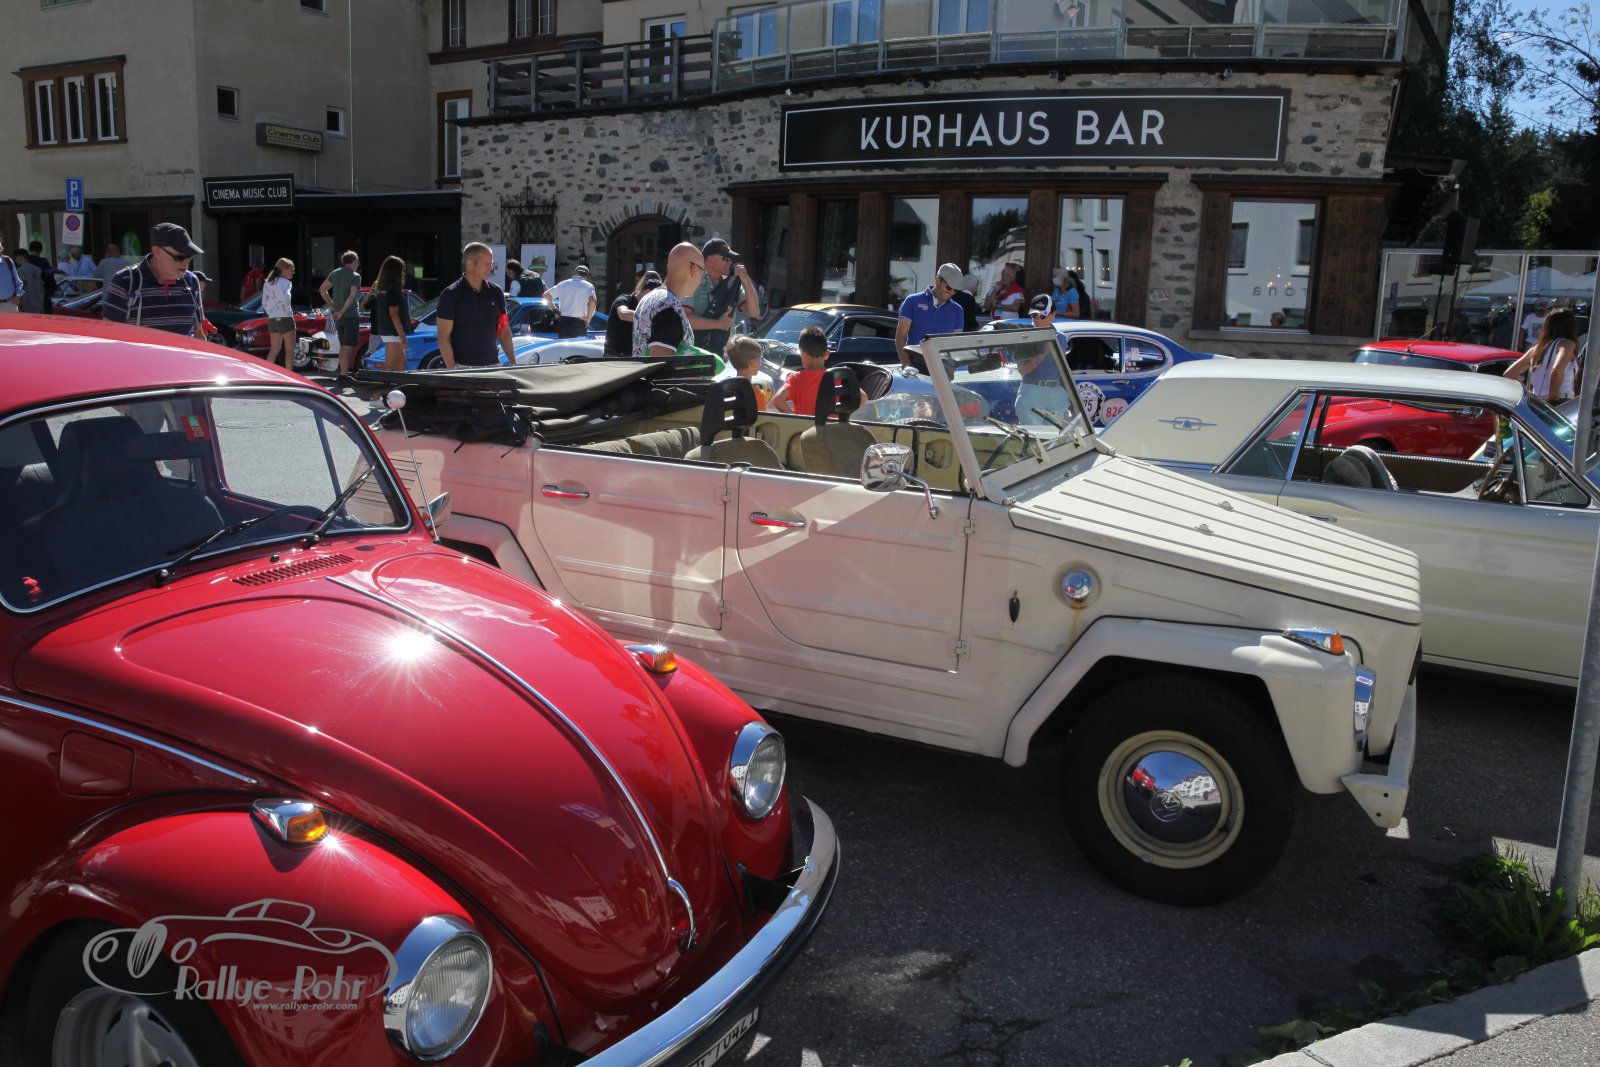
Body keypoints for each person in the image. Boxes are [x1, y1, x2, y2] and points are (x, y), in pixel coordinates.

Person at [100, 223, 208, 339]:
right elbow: (109, 336)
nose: (186, 262)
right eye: (179, 257)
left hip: (182, 352)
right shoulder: (125, 280)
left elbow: (199, 333)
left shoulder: (191, 281)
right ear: (157, 252)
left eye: (189, 256)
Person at [437, 242, 515, 368]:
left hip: (493, 366)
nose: (491, 268)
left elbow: (504, 330)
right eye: (487, 264)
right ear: (470, 264)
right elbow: (443, 337)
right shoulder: (450, 294)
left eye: (491, 263)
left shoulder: (497, 292)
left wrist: (513, 363)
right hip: (463, 368)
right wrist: (453, 371)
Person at [632, 242, 705, 358]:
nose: (701, 279)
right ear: (693, 269)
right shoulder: (669, 307)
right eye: (702, 272)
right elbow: (661, 361)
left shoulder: (648, 298)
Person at [694, 238, 762, 356]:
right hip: (698, 352)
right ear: (710, 259)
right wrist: (718, 324)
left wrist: (746, 281)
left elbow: (754, 312)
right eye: (725, 258)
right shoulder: (693, 281)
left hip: (724, 354)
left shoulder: (731, 285)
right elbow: (685, 319)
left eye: (731, 258)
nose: (730, 262)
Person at [895, 262, 965, 372]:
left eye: (955, 290)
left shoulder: (957, 310)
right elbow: (900, 337)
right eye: (949, 287)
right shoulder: (912, 301)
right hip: (914, 365)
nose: (951, 292)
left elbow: (955, 346)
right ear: (937, 280)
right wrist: (907, 366)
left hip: (942, 368)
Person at [1505, 306, 1580, 402]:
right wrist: (1553, 399)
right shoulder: (1567, 344)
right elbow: (1556, 371)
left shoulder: (1537, 348)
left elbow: (1509, 373)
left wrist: (1528, 394)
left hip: (1537, 401)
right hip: (1560, 400)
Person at [318, 250, 363, 377]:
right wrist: (342, 311)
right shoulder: (355, 276)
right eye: (357, 261)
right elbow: (352, 296)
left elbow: (322, 289)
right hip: (350, 315)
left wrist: (333, 307)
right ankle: (343, 375)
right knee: (347, 347)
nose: (358, 264)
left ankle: (344, 374)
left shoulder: (335, 273)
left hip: (337, 316)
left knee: (344, 346)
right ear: (354, 261)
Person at [367, 255, 410, 373]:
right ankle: (379, 386)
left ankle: (398, 384)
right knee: (390, 364)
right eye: (402, 270)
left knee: (401, 363)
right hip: (392, 331)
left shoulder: (383, 287)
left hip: (387, 329)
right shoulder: (393, 289)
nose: (403, 273)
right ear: (396, 272)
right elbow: (394, 314)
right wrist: (402, 336)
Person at [604, 269, 662, 356]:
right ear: (648, 292)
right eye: (656, 296)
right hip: (616, 355)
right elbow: (623, 314)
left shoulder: (649, 307)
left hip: (634, 354)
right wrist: (652, 317)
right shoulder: (624, 299)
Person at [261, 258, 297, 370]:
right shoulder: (286, 283)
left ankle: (267, 374)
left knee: (274, 350)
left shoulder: (268, 282)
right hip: (285, 318)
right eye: (292, 269)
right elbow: (286, 299)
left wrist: (271, 313)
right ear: (285, 269)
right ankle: (289, 376)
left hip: (273, 319)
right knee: (290, 351)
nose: (293, 272)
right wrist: (287, 310)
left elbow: (264, 303)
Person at [721, 334, 775, 409]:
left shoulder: (724, 390)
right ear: (752, 362)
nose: (760, 362)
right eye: (760, 358)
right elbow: (760, 416)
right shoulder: (757, 394)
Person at [549, 264, 596, 338]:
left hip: (563, 322)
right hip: (579, 322)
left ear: (574, 274)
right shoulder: (588, 286)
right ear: (587, 276)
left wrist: (554, 310)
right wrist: (588, 318)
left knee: (564, 344)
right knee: (577, 345)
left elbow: (546, 295)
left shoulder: (563, 284)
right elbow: (593, 301)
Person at [25, 241, 60, 314]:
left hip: (26, 294)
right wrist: (53, 289)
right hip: (43, 294)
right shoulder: (43, 262)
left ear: (29, 249)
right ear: (40, 250)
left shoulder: (23, 261)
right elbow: (49, 276)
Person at [0, 241, 24, 313]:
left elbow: (19, 283)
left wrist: (17, 296)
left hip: (10, 305)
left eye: (0, 249)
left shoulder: (8, 261)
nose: (0, 251)